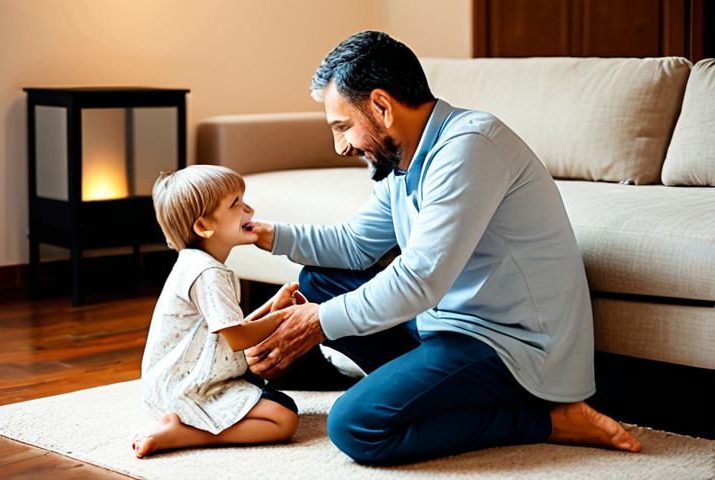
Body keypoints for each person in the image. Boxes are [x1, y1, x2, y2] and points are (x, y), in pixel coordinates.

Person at [245, 31, 642, 465]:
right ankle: (385, 382)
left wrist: (318, 321)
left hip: (511, 347)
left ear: (382, 107)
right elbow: (357, 245)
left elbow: (420, 280)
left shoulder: (470, 147)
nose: (341, 145)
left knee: (355, 425)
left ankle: (543, 420)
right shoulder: (402, 161)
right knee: (318, 280)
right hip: (446, 324)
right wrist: (263, 233)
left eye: (343, 126)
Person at [132, 165, 302, 458]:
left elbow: (227, 331)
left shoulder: (194, 263)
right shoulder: (207, 272)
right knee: (284, 419)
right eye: (236, 204)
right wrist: (286, 318)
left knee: (279, 398)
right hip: (186, 390)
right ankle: (181, 434)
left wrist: (274, 306)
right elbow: (237, 339)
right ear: (203, 227)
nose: (249, 209)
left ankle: (183, 424)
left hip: (171, 386)